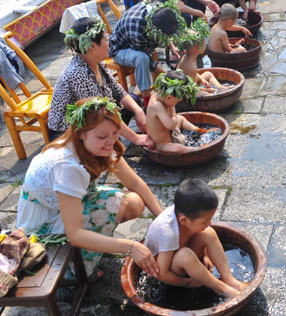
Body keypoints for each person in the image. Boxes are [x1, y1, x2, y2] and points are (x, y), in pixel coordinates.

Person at [16, 97, 163, 277]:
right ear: (80, 133)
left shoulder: (102, 146)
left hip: (70, 203)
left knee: (133, 202)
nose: (111, 141)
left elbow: (134, 183)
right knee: (105, 212)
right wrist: (130, 246)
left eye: (115, 133)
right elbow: (75, 234)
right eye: (102, 137)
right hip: (46, 226)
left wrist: (163, 219)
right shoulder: (66, 167)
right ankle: (74, 270)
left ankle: (97, 244)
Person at [49, 18, 153, 148]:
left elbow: (119, 92)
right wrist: (135, 138)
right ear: (93, 45)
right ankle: (107, 142)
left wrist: (139, 111)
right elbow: (101, 113)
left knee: (133, 100)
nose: (109, 43)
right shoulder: (79, 73)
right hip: (69, 132)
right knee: (105, 118)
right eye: (106, 40)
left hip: (96, 118)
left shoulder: (97, 63)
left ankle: (112, 137)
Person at [144, 178, 246, 297]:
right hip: (170, 273)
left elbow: (193, 234)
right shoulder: (168, 233)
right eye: (205, 221)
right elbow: (162, 274)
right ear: (184, 220)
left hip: (180, 251)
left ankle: (228, 279)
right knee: (185, 255)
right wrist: (187, 283)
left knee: (209, 232)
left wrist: (205, 255)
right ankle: (220, 288)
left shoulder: (184, 215)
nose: (210, 223)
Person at [108, 0, 186, 106]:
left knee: (145, 57)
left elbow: (165, 33)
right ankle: (146, 98)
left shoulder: (159, 9)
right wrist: (168, 77)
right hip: (119, 49)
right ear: (154, 29)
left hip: (135, 40)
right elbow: (150, 62)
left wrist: (172, 46)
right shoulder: (137, 28)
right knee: (142, 58)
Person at [146, 71, 203, 153]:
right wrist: (173, 113)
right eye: (177, 102)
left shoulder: (159, 94)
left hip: (170, 131)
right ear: (169, 97)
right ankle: (198, 149)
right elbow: (170, 126)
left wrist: (173, 115)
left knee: (181, 118)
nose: (176, 104)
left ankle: (198, 130)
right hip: (163, 144)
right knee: (179, 148)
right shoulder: (156, 105)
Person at [177, 20, 231, 94]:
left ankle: (220, 87)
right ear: (199, 47)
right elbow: (192, 88)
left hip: (193, 83)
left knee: (208, 74)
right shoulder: (190, 67)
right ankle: (218, 91)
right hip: (190, 91)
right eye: (204, 43)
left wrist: (202, 80)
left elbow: (194, 74)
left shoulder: (188, 57)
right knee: (206, 94)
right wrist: (208, 90)